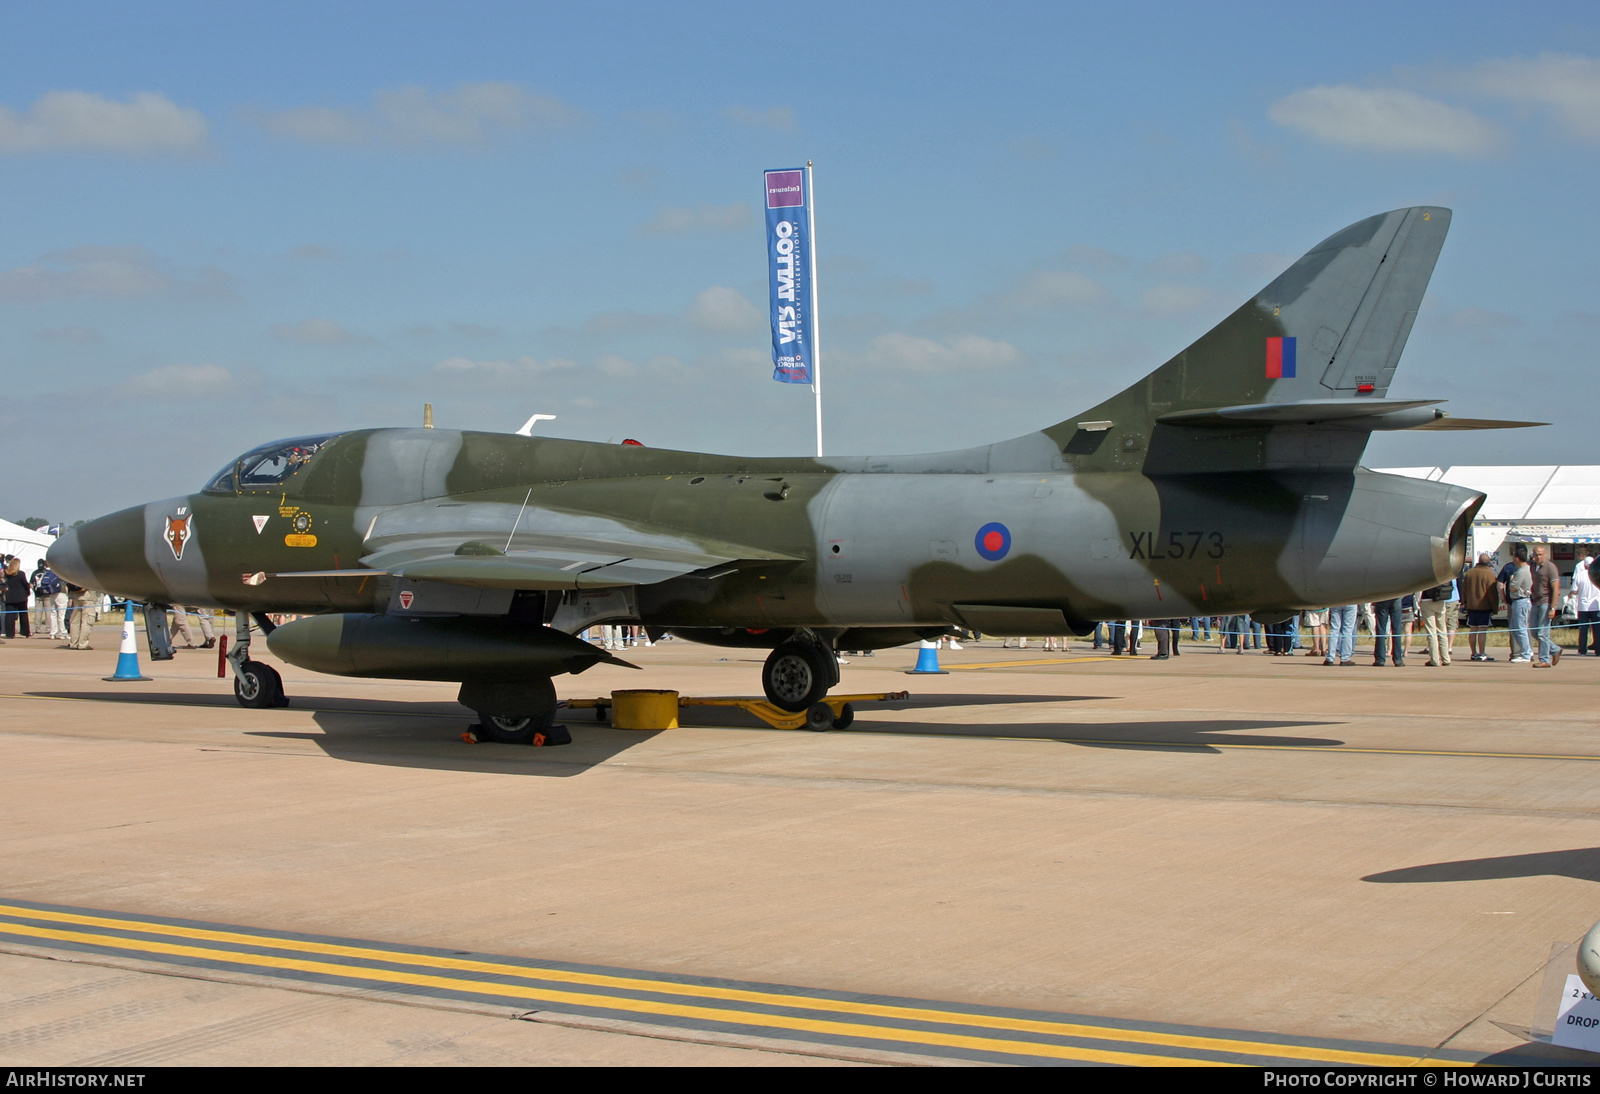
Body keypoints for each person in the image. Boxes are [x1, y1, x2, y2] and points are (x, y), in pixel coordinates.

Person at [1459, 553, 1501, 662]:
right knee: (1482, 629)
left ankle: (1473, 653)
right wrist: (1494, 607)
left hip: (1471, 606)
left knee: (1473, 629)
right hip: (1484, 606)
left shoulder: (1469, 573)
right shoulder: (1489, 574)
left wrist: (1465, 603)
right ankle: (1482, 653)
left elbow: (1464, 590)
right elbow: (1492, 593)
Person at [1529, 543, 1562, 667]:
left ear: (1545, 554)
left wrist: (1552, 608)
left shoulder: (1550, 567)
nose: (1538, 557)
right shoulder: (1532, 566)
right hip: (1535, 601)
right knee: (1533, 632)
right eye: (1536, 555)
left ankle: (1544, 660)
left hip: (1546, 602)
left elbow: (1555, 589)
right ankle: (1555, 649)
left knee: (1543, 632)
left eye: (1540, 555)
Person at [1417, 576, 1454, 667]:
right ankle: (1446, 658)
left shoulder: (1426, 572)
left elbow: (1419, 588)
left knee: (1431, 631)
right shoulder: (1441, 572)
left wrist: (1418, 601)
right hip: (1441, 599)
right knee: (1442, 630)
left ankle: (1435, 659)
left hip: (1427, 600)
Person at [1506, 547, 1533, 663]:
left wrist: (1511, 579)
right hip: (1518, 601)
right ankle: (1525, 650)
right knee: (1514, 628)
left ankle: (1526, 653)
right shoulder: (1522, 570)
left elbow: (1512, 587)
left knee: (1521, 628)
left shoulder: (1522, 571)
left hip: (1521, 601)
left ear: (1517, 558)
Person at [1574, 555, 1600, 656]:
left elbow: (1574, 589)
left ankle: (1582, 650)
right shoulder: (1595, 575)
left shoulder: (1580, 575)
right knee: (1597, 630)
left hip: (1583, 607)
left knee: (1583, 630)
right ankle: (1598, 650)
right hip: (1596, 606)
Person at [66, 582, 99, 649]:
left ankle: (73, 643)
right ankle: (82, 643)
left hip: (76, 596)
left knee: (75, 621)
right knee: (87, 621)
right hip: (88, 597)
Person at [1372, 597, 1404, 666]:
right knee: (1397, 630)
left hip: (1382, 597)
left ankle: (1380, 659)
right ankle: (1398, 659)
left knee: (1381, 630)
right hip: (1396, 598)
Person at [2, 559, 30, 639]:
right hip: (21, 596)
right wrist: (27, 592)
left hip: (10, 596)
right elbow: (25, 584)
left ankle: (9, 633)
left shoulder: (6, 574)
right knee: (23, 615)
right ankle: (25, 632)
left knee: (10, 615)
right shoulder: (21, 574)